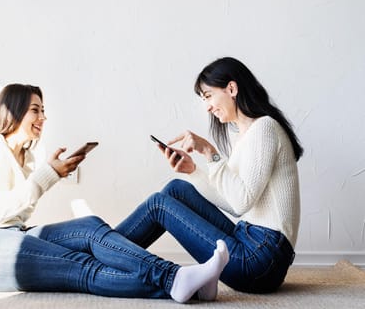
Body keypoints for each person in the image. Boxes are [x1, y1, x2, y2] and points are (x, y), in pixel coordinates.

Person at [0, 83, 230, 303]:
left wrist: (49, 172)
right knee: (80, 266)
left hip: (11, 235)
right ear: (13, 110)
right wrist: (50, 174)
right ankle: (175, 279)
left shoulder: (27, 157)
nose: (43, 117)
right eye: (35, 109)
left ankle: (189, 284)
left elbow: (16, 214)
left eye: (43, 110)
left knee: (89, 227)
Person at [116, 57, 303, 294]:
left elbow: (241, 201)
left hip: (261, 260)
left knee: (158, 205)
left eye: (208, 96)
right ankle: (104, 250)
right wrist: (193, 172)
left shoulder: (265, 128)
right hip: (250, 241)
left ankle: (100, 249)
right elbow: (234, 204)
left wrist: (210, 152)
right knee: (176, 188)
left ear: (231, 89)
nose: (207, 106)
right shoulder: (244, 135)